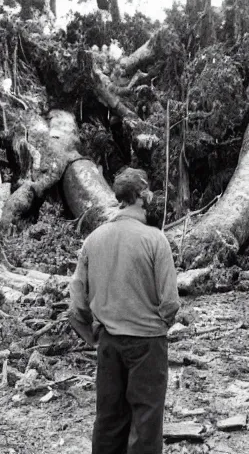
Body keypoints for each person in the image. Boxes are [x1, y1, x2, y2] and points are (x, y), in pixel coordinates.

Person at [68, 168, 180, 454]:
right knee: (146, 424)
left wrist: (94, 336)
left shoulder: (94, 239)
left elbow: (77, 303)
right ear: (142, 198)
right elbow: (170, 302)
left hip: (109, 343)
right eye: (150, 193)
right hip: (148, 344)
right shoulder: (156, 240)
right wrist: (159, 324)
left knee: (108, 421)